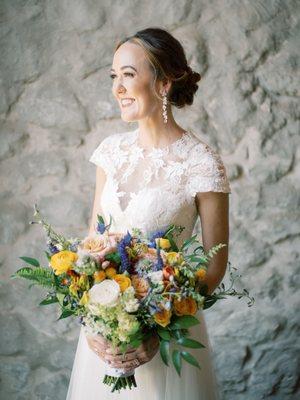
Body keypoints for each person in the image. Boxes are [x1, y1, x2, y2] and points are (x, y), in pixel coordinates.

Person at [66, 27, 231, 400]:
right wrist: (92, 320)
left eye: (128, 74)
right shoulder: (110, 152)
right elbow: (92, 242)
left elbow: (215, 264)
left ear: (164, 83)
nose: (117, 88)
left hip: (164, 334)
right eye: (114, 76)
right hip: (105, 334)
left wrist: (157, 328)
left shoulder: (202, 163)